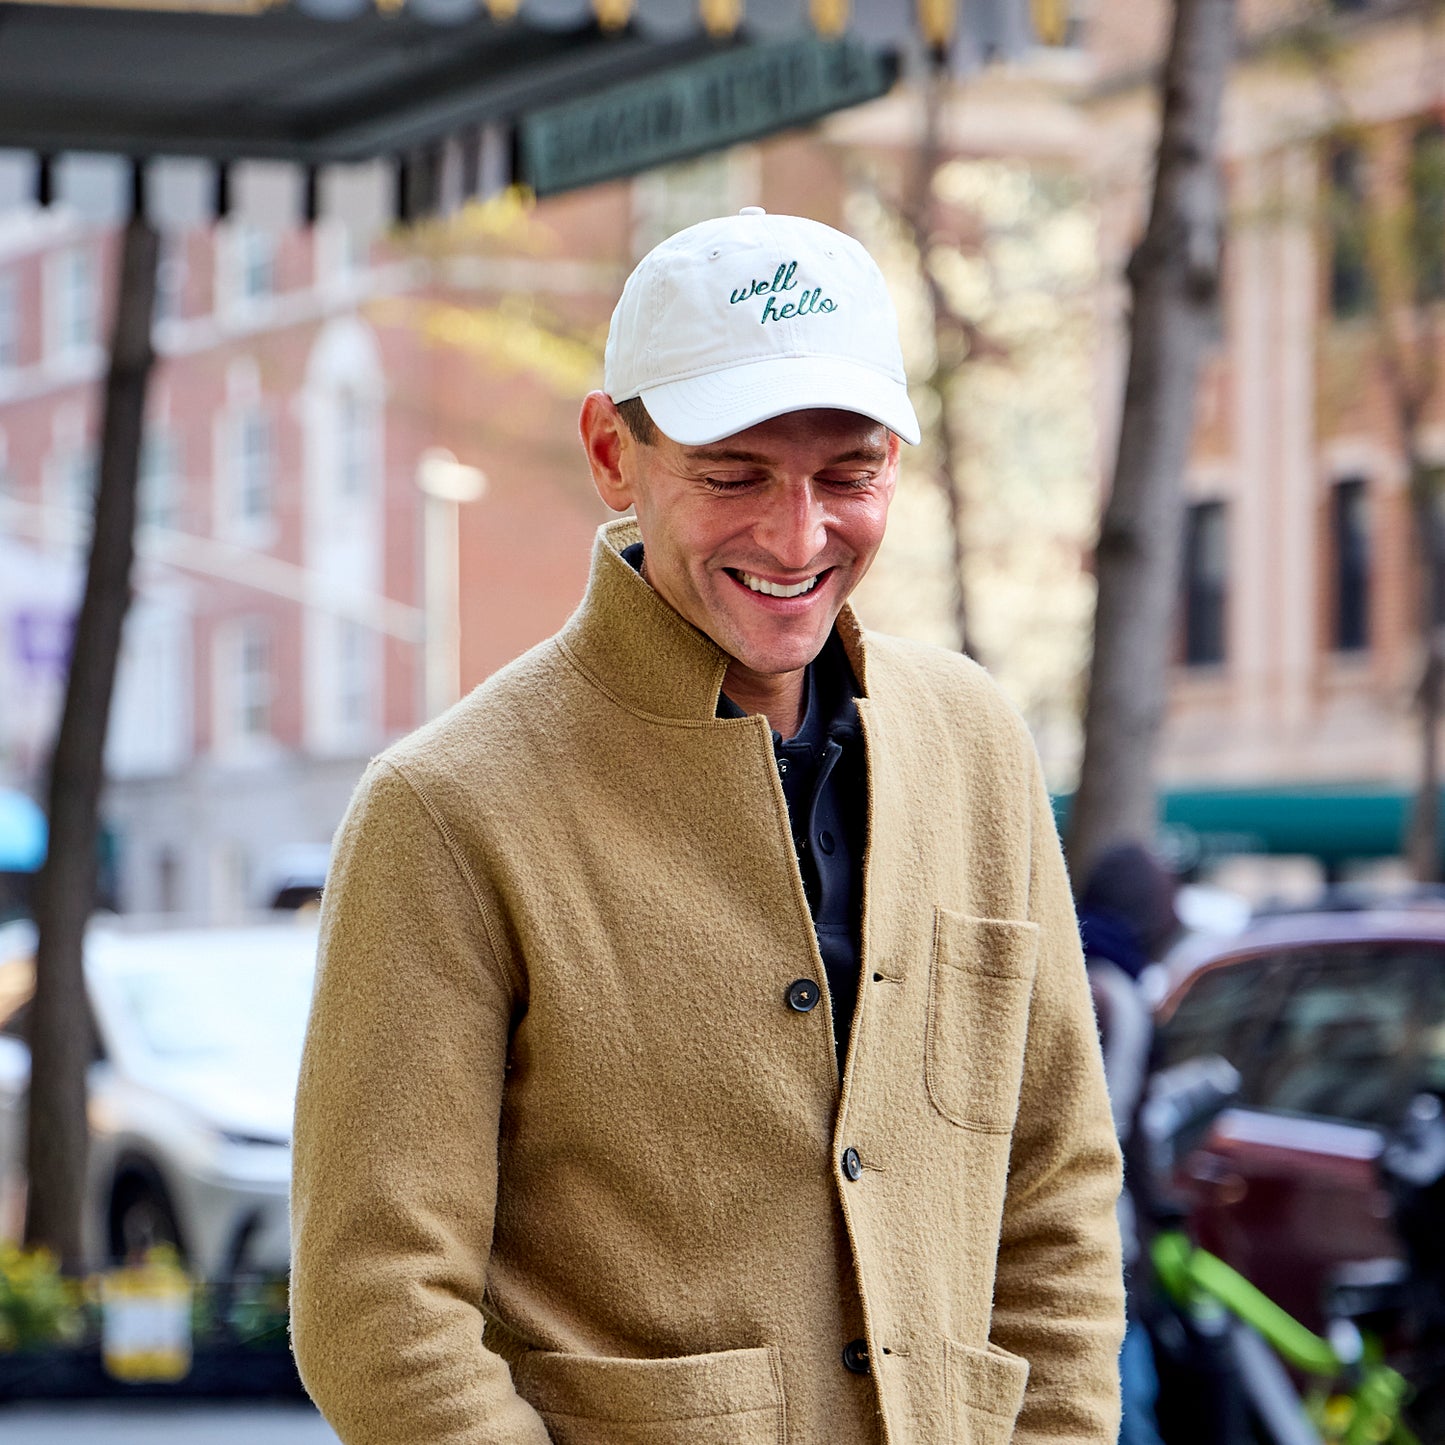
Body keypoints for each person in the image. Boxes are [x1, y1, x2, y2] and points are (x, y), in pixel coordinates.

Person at [290, 208, 1124, 1445]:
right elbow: (377, 1308)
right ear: (611, 452)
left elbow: (1053, 1186)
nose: (796, 536)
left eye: (847, 473)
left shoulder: (974, 742)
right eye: (731, 473)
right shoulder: (446, 810)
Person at [1077, 842, 1180, 1445]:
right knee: (1123, 1408)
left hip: (1098, 1230)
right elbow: (1123, 1130)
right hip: (1095, 1230)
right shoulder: (1110, 993)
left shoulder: (1092, 975)